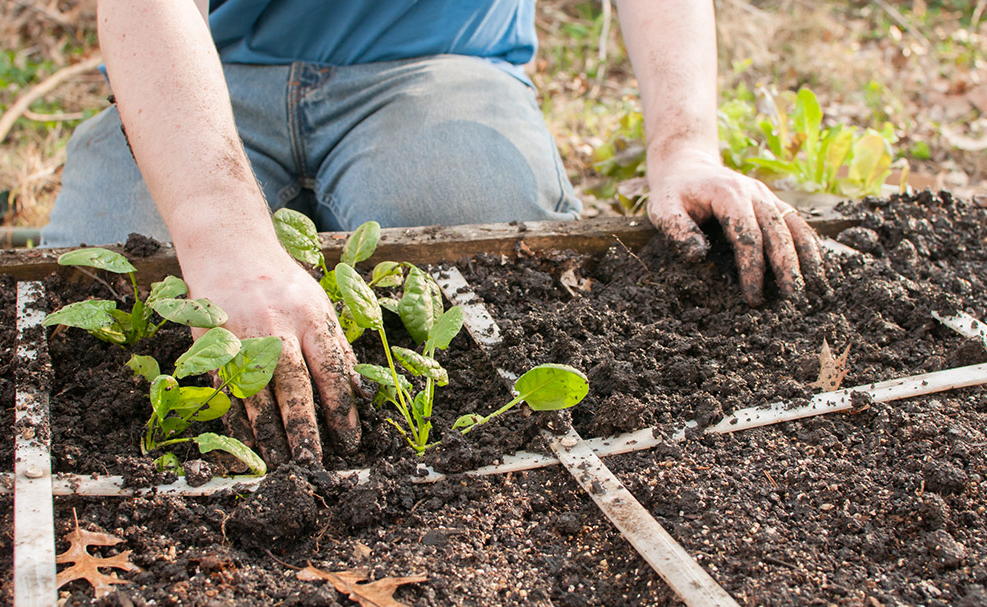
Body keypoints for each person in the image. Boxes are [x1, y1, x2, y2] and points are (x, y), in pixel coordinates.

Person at [42, 0, 825, 466]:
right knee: (96, 313)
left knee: (488, 270)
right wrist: (218, 224)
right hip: (197, 67)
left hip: (440, 66)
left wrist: (684, 144)